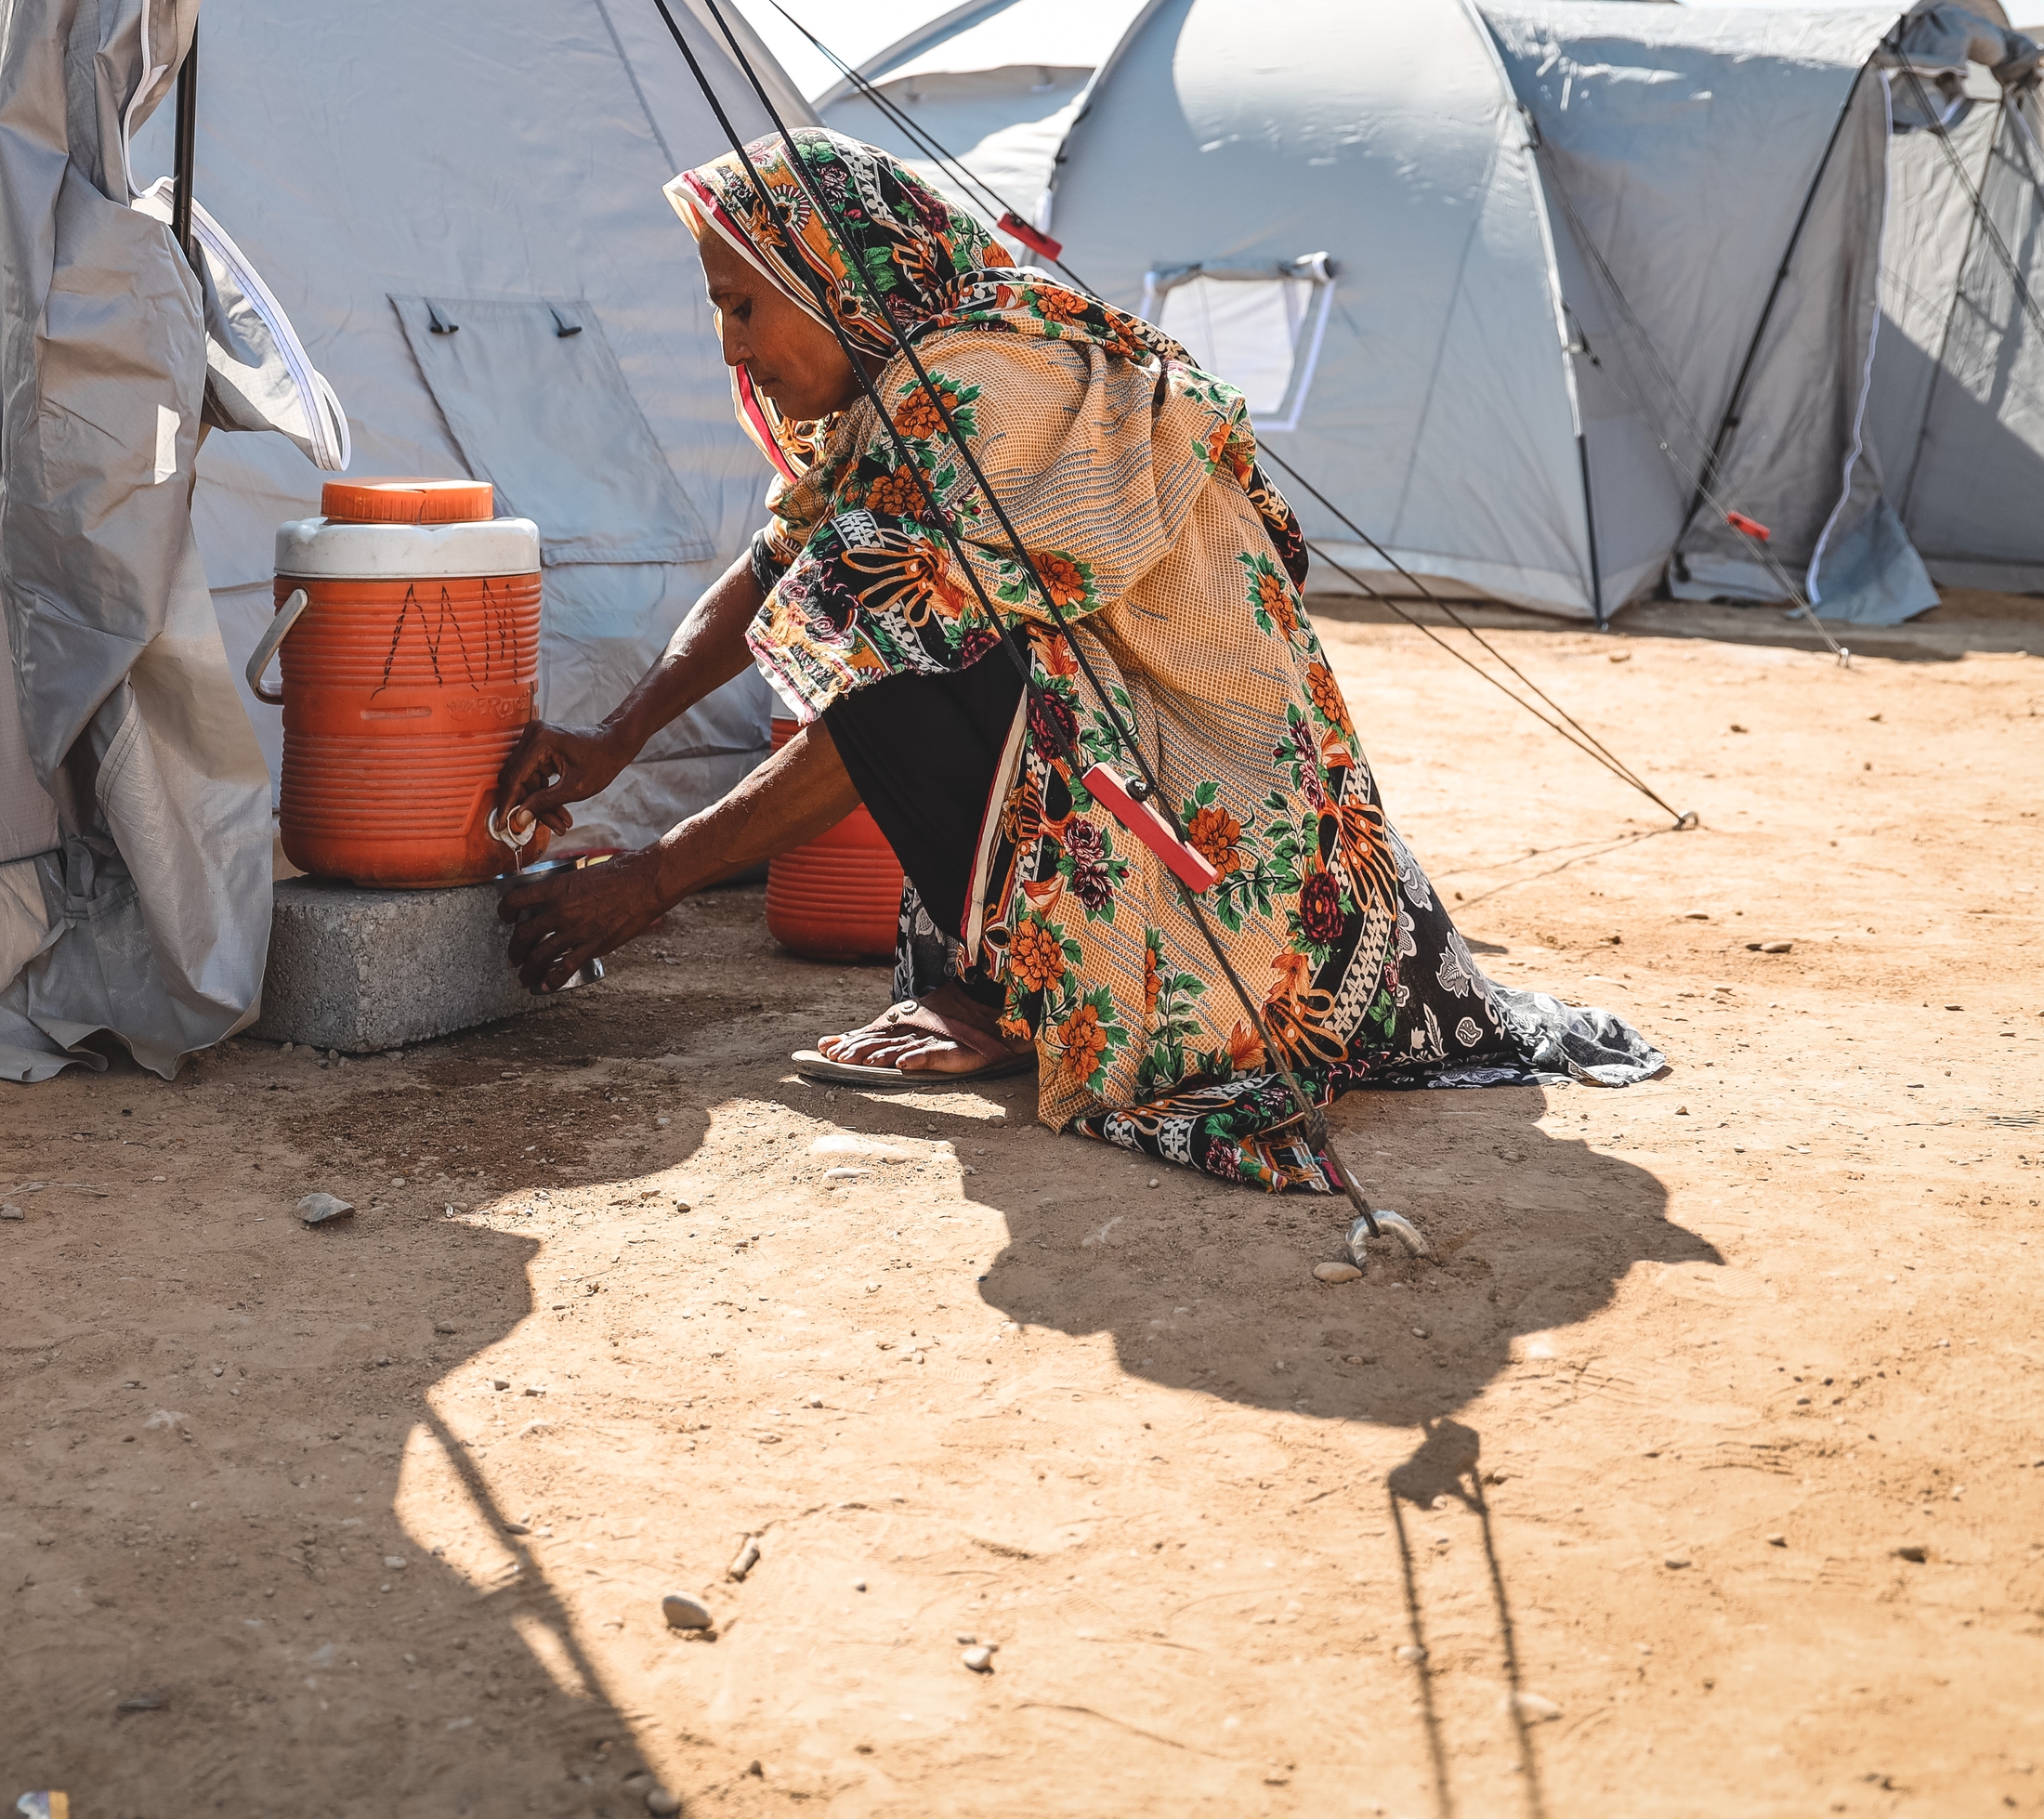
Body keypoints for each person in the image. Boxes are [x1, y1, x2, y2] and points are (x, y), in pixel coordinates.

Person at [491, 127, 1657, 1192]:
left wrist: (650, 881)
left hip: (1230, 849)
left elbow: (892, 686)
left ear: (829, 275)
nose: (731, 347)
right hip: (1148, 775)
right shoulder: (911, 373)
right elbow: (771, 561)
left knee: (896, 641)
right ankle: (1013, 988)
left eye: (745, 307)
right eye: (717, 310)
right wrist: (618, 738)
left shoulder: (975, 387)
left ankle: (1031, 996)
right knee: (876, 612)